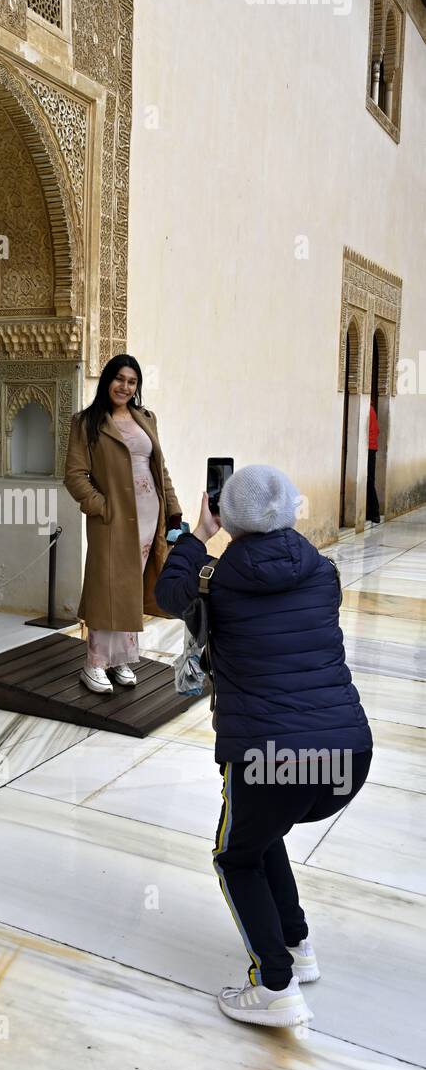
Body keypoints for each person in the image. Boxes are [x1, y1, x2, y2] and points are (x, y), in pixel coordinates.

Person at [154, 465, 373, 1029]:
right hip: (346, 755)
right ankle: (297, 945)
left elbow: (165, 594)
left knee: (235, 856)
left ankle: (275, 984)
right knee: (261, 834)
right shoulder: (324, 572)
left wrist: (198, 536)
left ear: (228, 516)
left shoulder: (215, 578)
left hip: (269, 760)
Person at [64, 354, 183, 693]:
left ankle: (122, 659)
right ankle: (95, 663)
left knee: (130, 587)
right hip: (112, 521)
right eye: (119, 379)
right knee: (107, 588)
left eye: (132, 382)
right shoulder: (86, 422)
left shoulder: (146, 418)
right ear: (107, 381)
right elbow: (74, 475)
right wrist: (102, 506)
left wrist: (173, 509)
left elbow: (160, 469)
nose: (125, 387)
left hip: (149, 519)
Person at [367, 402, 381, 524]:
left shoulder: (368, 410)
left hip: (369, 448)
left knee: (369, 480)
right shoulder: (371, 409)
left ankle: (375, 513)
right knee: (370, 480)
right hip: (372, 447)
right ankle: (371, 511)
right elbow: (377, 430)